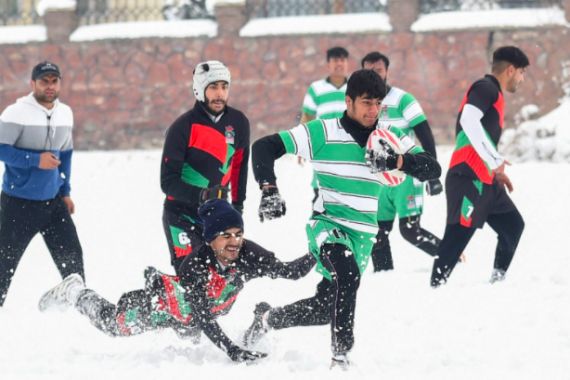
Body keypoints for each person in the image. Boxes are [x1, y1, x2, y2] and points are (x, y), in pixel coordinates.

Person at [247, 69, 441, 368]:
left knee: (325, 309)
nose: (373, 110)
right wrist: (268, 188)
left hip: (363, 234)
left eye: (378, 103)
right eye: (366, 103)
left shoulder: (390, 138)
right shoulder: (322, 132)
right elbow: (264, 146)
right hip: (328, 225)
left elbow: (432, 167)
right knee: (347, 275)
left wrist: (398, 160)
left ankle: (267, 318)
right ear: (348, 102)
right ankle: (341, 357)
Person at [38, 199, 315, 363]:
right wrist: (231, 350)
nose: (235, 242)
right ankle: (75, 291)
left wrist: (319, 249)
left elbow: (291, 272)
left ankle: (260, 319)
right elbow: (203, 315)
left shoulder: (248, 253)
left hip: (203, 313)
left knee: (198, 331)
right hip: (165, 307)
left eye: (238, 233)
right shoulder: (194, 264)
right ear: (210, 239)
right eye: (226, 235)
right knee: (113, 324)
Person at [431, 46, 528, 287]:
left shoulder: (495, 94)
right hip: (467, 178)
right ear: (511, 70)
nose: (522, 78)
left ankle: (496, 284)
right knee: (456, 238)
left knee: (513, 226)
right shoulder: (486, 88)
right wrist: (495, 160)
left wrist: (495, 169)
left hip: (486, 180)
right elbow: (468, 120)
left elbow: (479, 135)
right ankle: (435, 290)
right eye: (521, 73)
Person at [0, 61, 84, 307]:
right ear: (33, 84)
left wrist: (65, 191)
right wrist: (35, 160)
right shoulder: (16, 113)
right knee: (3, 266)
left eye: (54, 81)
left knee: (73, 262)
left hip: (53, 203)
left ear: (59, 83)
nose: (49, 86)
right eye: (44, 81)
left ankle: (77, 312)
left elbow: (65, 154)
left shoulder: (65, 113)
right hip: (18, 204)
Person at [161, 60, 250, 274]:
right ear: (200, 90)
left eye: (224, 86)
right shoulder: (182, 127)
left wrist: (237, 207)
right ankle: (155, 294)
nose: (220, 93)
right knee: (190, 279)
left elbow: (239, 167)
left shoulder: (239, 123)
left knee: (219, 283)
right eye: (213, 87)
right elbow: (168, 182)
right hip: (180, 214)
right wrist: (202, 195)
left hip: (217, 216)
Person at [361, 51, 444, 272]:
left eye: (378, 70)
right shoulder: (361, 104)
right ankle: (384, 277)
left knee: (410, 231)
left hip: (405, 176)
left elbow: (425, 135)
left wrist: (432, 174)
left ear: (386, 71)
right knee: (377, 233)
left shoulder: (403, 100)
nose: (374, 75)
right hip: (378, 180)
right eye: (369, 71)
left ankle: (450, 256)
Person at [300, 46, 350, 203]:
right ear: (328, 64)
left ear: (347, 63)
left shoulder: (355, 88)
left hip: (349, 150)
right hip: (323, 150)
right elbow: (307, 116)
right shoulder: (316, 89)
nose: (339, 64)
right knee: (320, 196)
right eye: (335, 60)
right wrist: (302, 144)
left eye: (342, 60)